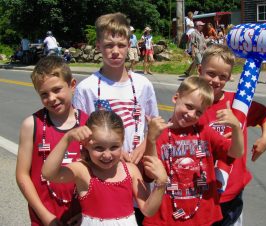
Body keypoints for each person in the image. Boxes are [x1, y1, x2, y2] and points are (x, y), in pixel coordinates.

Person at [72, 12, 159, 225]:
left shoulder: (143, 85)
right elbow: (81, 136)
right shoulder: (87, 88)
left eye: (121, 45)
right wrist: (113, 154)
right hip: (105, 173)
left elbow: (154, 125)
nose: (115, 51)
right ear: (99, 45)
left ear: (129, 44)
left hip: (138, 171)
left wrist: (146, 143)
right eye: (109, 45)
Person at [143, 76, 244, 226]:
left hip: (202, 216)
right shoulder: (160, 134)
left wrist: (236, 128)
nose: (191, 114)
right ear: (176, 98)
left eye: (198, 112)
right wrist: (151, 140)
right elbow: (150, 174)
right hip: (166, 218)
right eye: (189, 106)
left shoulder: (205, 132)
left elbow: (236, 153)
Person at [42, 110, 168, 226]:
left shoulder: (131, 170)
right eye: (99, 148)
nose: (107, 155)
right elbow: (48, 173)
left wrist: (161, 183)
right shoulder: (83, 171)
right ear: (86, 145)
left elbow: (147, 210)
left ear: (122, 141)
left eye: (114, 147)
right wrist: (67, 139)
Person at [198, 44, 266, 226]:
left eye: (223, 77)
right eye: (211, 73)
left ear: (229, 78)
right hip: (203, 190)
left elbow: (263, 114)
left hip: (232, 191)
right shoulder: (192, 105)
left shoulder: (237, 102)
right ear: (200, 70)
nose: (216, 80)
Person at [16, 56, 89, 225]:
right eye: (44, 94)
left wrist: (88, 212)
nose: (52, 98)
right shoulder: (31, 125)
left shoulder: (89, 124)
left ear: (72, 85)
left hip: (82, 217)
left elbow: (98, 175)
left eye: (57, 90)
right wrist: (46, 217)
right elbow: (22, 175)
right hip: (44, 218)